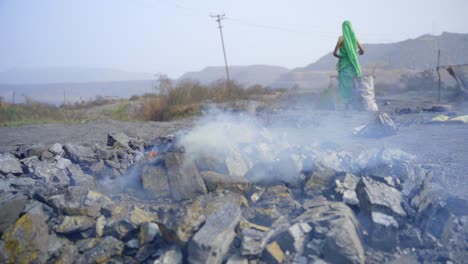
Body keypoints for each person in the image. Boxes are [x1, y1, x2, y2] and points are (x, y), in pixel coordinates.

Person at [333, 20, 365, 108]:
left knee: (343, 85)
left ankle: (345, 104)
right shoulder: (355, 38)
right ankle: (355, 103)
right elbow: (362, 51)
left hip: (343, 66)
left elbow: (334, 53)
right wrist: (354, 55)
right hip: (353, 65)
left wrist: (341, 57)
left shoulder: (341, 38)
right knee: (354, 84)